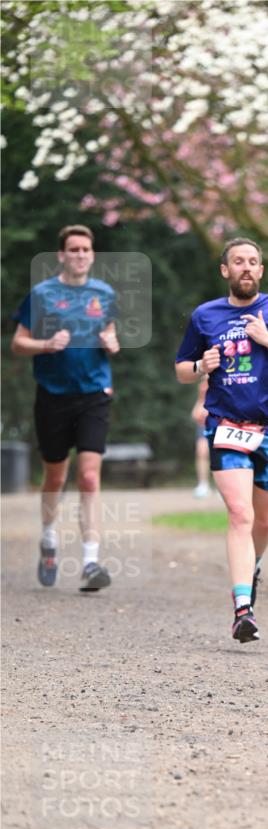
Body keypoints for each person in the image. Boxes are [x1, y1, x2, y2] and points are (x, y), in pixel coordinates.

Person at [174, 238, 268, 643]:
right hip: (226, 426)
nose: (246, 268)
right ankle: (242, 609)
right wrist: (201, 365)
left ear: (261, 270)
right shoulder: (206, 315)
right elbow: (182, 368)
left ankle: (251, 567)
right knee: (240, 514)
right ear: (225, 270)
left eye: (253, 261)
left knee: (264, 520)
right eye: (238, 261)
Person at [11, 224, 120, 591]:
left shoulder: (104, 293)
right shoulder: (42, 294)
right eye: (73, 250)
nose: (79, 255)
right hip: (53, 396)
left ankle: (91, 563)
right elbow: (17, 343)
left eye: (85, 250)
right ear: (61, 255)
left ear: (92, 255)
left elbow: (111, 336)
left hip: (93, 395)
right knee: (55, 478)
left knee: (89, 477)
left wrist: (112, 342)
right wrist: (44, 345)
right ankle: (48, 538)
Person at [191, 378, 212, 498]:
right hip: (204, 424)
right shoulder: (203, 384)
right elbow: (200, 401)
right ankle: (203, 485)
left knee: (220, 454)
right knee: (201, 452)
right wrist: (196, 411)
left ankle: (223, 487)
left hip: (221, 422)